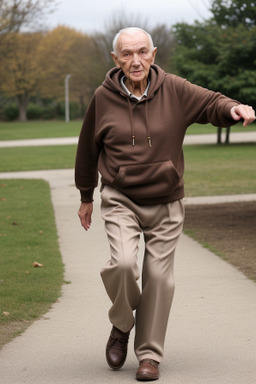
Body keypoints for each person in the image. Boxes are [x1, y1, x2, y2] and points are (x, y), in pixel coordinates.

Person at [75, 27, 255, 381]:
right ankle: (122, 325)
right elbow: (87, 150)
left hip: (167, 201)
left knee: (159, 278)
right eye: (127, 54)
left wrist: (233, 107)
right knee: (124, 264)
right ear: (116, 59)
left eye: (142, 52)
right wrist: (85, 196)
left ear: (154, 54)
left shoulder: (175, 88)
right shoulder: (103, 96)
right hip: (120, 197)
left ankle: (149, 356)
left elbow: (211, 102)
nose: (136, 60)